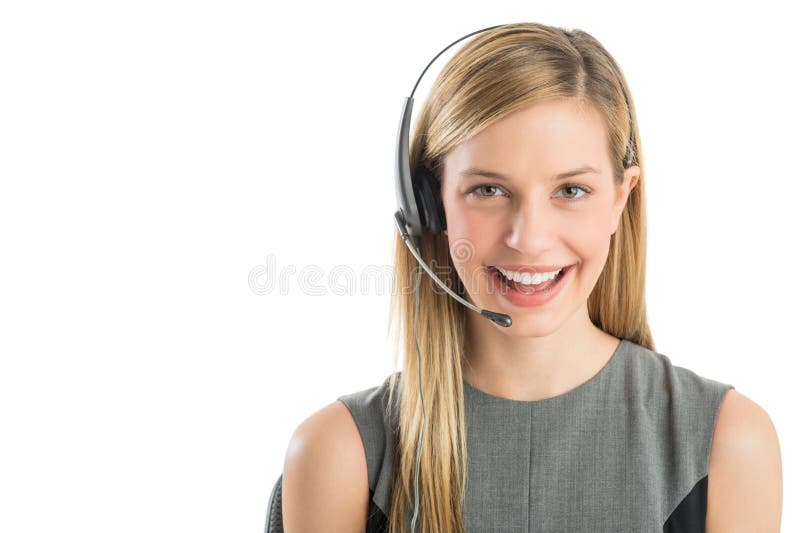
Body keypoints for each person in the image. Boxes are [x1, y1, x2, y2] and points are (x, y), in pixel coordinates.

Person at [280, 22, 782, 532]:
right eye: (489, 190)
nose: (529, 239)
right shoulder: (338, 456)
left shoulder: (727, 445)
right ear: (429, 207)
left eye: (570, 190)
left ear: (620, 198)